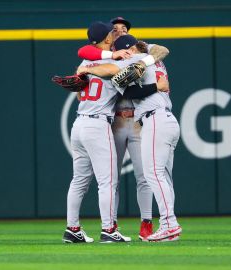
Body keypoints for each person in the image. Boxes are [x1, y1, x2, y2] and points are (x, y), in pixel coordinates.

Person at [76, 34, 182, 242]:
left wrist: (88, 69)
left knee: (153, 175)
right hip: (168, 119)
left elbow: (122, 83)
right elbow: (159, 53)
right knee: (164, 178)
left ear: (130, 50)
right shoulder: (152, 59)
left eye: (124, 53)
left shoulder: (134, 60)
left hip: (155, 120)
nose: (122, 57)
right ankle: (168, 226)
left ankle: (169, 224)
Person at [62, 21, 132, 244]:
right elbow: (114, 71)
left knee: (79, 181)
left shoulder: (84, 62)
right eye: (111, 34)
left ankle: (72, 229)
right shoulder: (112, 61)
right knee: (107, 181)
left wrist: (85, 70)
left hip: (79, 123)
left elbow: (78, 91)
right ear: (108, 39)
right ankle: (109, 230)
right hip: (97, 125)